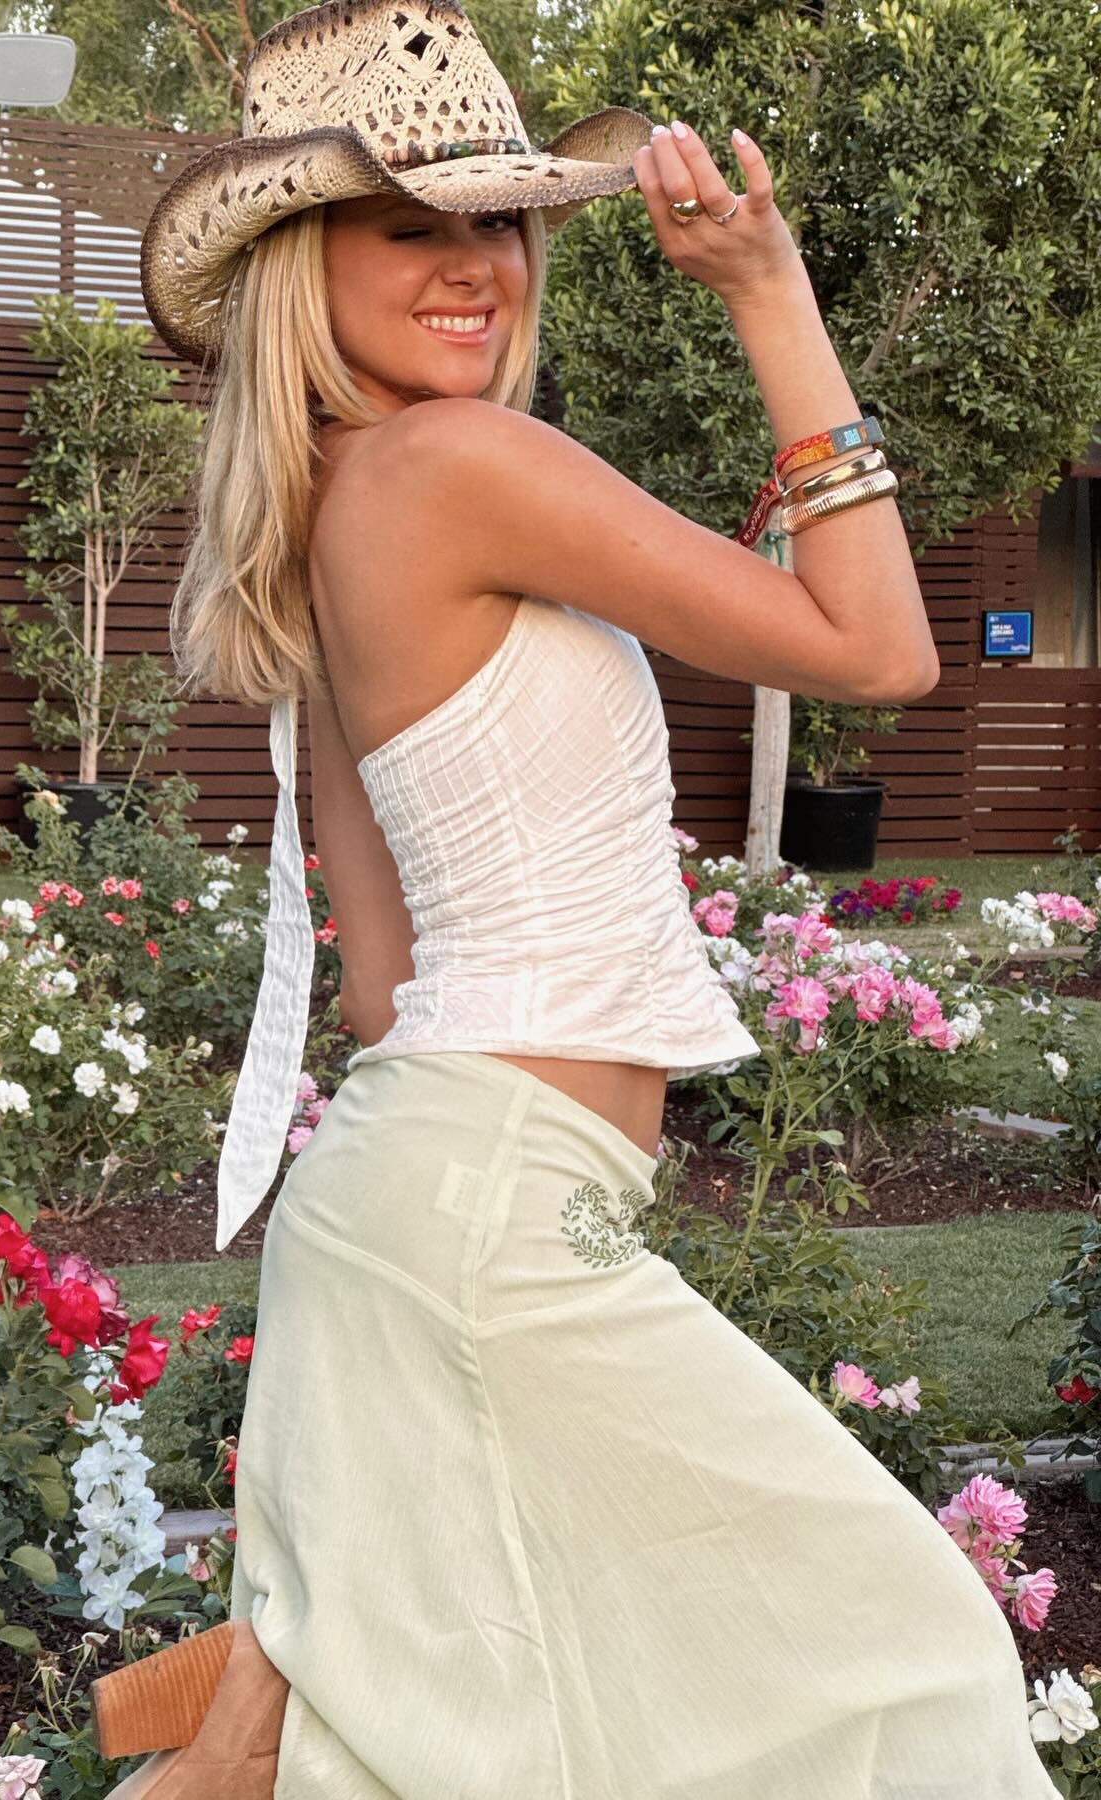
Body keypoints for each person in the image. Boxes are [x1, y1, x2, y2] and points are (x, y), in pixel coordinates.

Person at [89, 0, 1060, 1793]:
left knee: (523, 1734)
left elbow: (380, 987)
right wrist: (769, 293)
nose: (475, 267)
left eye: (502, 224)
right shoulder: (456, 466)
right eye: (412, 226)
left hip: (444, 1202)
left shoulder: (346, 503)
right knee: (905, 1650)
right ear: (307, 263)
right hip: (483, 1213)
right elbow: (882, 648)